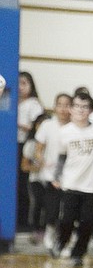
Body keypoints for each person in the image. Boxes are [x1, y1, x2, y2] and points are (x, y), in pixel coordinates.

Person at [52, 91, 93, 267]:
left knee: (87, 222)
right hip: (71, 183)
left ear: (91, 110)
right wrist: (57, 177)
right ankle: (61, 242)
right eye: (77, 106)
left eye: (85, 107)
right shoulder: (65, 132)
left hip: (92, 185)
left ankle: (78, 253)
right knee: (67, 219)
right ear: (71, 109)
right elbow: (62, 157)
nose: (81, 110)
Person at [34, 93, 72, 250]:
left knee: (69, 211)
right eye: (60, 104)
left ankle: (66, 238)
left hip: (72, 176)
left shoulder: (75, 127)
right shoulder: (47, 125)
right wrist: (41, 161)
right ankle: (50, 233)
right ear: (55, 106)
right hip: (51, 175)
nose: (63, 109)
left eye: (66, 105)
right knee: (52, 208)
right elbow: (38, 149)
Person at [17, 71, 43, 231]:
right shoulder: (13, 101)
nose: (20, 87)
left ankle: (25, 220)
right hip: (11, 145)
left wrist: (18, 125)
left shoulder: (33, 104)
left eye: (24, 83)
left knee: (24, 185)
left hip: (25, 145)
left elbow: (37, 127)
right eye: (18, 83)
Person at [21, 112, 49, 244]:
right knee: (38, 203)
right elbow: (24, 166)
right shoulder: (31, 144)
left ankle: (48, 231)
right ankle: (36, 230)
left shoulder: (56, 143)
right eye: (40, 124)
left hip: (51, 180)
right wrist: (37, 168)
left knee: (51, 205)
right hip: (36, 179)